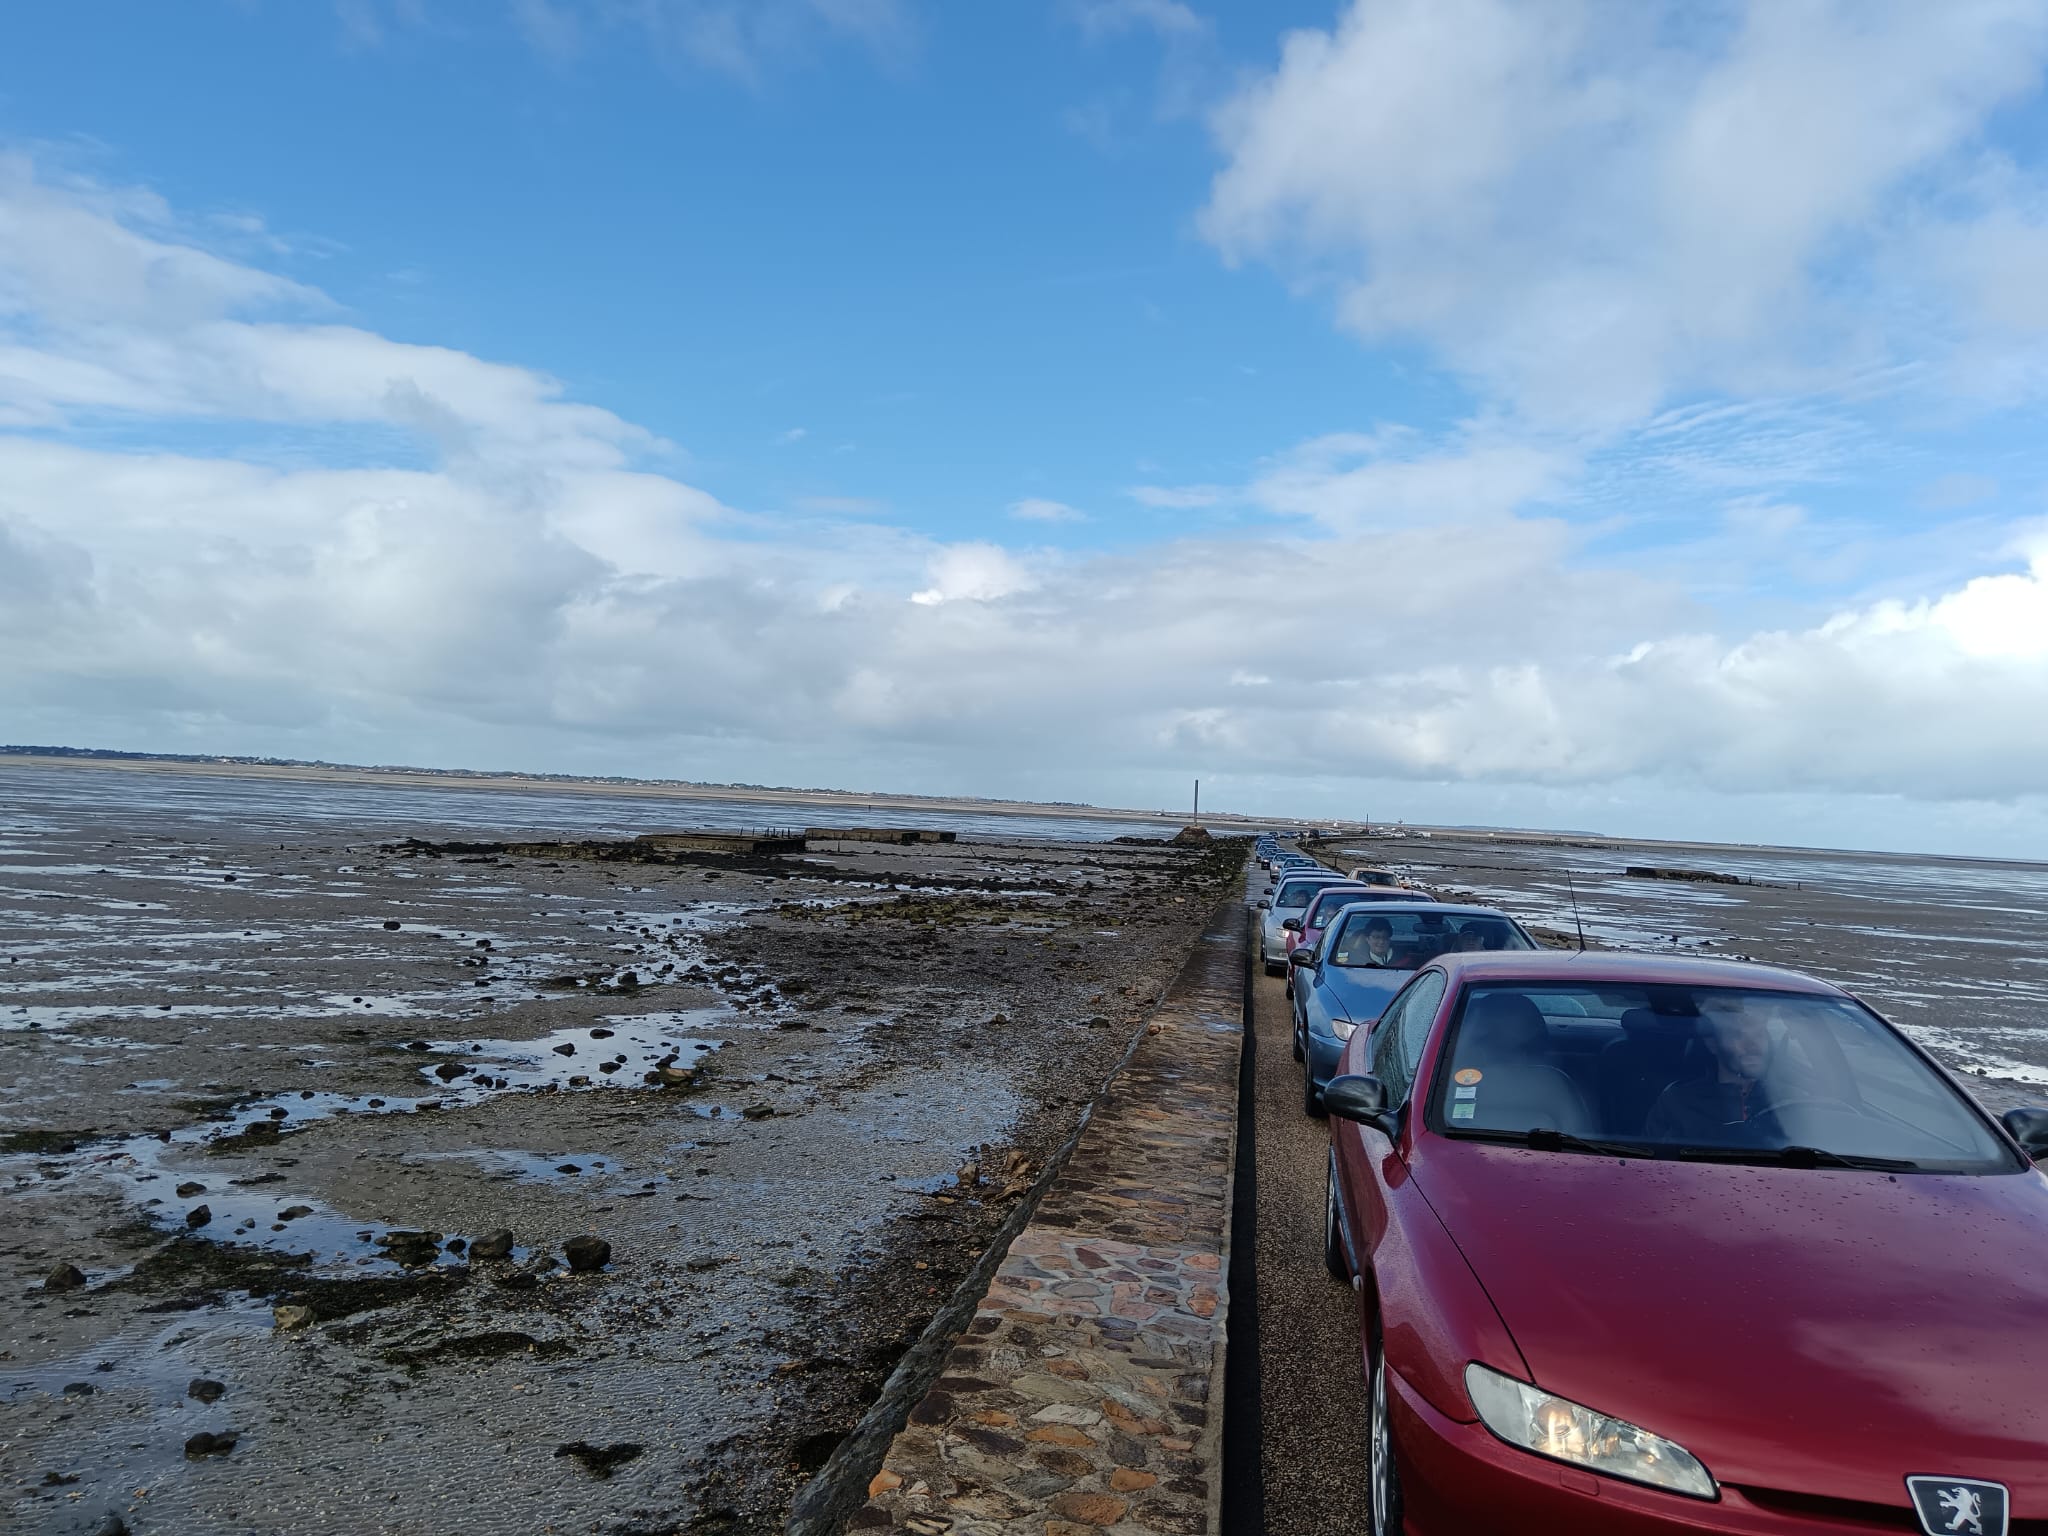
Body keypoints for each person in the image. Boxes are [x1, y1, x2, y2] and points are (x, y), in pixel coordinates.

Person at [1643, 995, 1799, 1143]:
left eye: (1759, 1034)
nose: (1753, 1045)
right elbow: (1652, 1163)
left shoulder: (1791, 1099)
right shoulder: (1678, 1102)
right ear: (1713, 1044)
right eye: (1739, 1035)